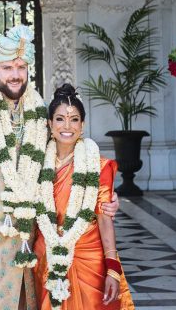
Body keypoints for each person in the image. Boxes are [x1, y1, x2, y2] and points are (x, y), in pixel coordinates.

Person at [0, 26, 119, 310]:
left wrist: (104, 195)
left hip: (30, 236)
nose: (15, 74)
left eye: (21, 67)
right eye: (7, 67)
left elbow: (64, 162)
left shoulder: (40, 111)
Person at [33, 84, 134, 310]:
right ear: (50, 124)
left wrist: (112, 267)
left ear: (83, 125)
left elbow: (104, 218)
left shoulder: (98, 166)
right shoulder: (35, 165)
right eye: (60, 119)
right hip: (46, 255)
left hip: (89, 257)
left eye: (74, 119)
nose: (67, 126)